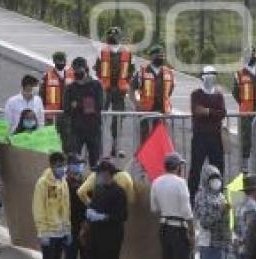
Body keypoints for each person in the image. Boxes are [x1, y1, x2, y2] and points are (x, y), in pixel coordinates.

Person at [151, 152, 195, 259]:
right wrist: (191, 233)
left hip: (164, 228)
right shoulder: (181, 183)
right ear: (177, 167)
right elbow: (187, 211)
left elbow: (154, 208)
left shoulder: (156, 182)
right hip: (179, 229)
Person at [94, 27, 133, 156]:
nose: (113, 37)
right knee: (100, 118)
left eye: (115, 35)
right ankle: (98, 147)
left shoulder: (127, 53)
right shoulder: (102, 52)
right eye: (110, 35)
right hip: (105, 90)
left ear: (120, 37)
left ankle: (116, 148)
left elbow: (131, 71)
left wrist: (125, 85)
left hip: (120, 91)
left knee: (118, 120)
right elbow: (97, 69)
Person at [189, 65, 227, 196]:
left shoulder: (219, 95)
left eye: (213, 75)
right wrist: (213, 113)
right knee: (196, 168)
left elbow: (222, 113)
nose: (211, 78)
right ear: (203, 77)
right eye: (208, 75)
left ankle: (218, 195)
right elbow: (197, 111)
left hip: (215, 136)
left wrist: (208, 111)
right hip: (200, 136)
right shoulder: (196, 94)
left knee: (218, 168)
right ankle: (192, 197)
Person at [86, 159, 128, 259]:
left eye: (98, 173)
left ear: (106, 174)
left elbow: (123, 216)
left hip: (111, 236)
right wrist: (90, 211)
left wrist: (104, 217)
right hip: (95, 234)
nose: (96, 176)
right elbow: (93, 205)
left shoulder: (119, 192)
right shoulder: (98, 189)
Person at [233, 47, 256, 176]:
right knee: (246, 137)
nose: (253, 56)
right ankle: (244, 166)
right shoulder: (239, 74)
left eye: (254, 54)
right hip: (247, 110)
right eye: (250, 54)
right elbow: (236, 93)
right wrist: (245, 103)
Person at [33, 151, 71, 259]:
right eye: (59, 165)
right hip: (48, 233)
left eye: (63, 165)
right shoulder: (43, 183)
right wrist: (42, 232)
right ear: (52, 166)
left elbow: (66, 208)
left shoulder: (63, 182)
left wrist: (67, 230)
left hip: (61, 233)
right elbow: (39, 209)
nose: (62, 168)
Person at [63, 57, 104, 166]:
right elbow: (67, 108)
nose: (77, 72)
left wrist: (77, 104)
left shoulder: (96, 85)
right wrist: (87, 103)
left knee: (95, 162)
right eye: (75, 70)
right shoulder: (70, 88)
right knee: (74, 161)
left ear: (86, 69)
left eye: (79, 70)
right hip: (76, 130)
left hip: (93, 129)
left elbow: (99, 105)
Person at [194, 164, 232, 259]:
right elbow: (205, 222)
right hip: (209, 244)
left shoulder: (220, 196)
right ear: (206, 180)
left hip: (221, 243)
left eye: (217, 178)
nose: (216, 181)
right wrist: (220, 210)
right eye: (212, 179)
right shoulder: (202, 196)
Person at [132, 45, 175, 142]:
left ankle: (158, 157)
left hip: (161, 109)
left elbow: (170, 90)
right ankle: (144, 156)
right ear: (151, 56)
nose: (161, 57)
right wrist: (136, 103)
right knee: (145, 136)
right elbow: (132, 87)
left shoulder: (168, 72)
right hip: (145, 109)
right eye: (158, 55)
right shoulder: (143, 71)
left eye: (162, 55)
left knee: (159, 135)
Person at [64, 154, 88, 259]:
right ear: (69, 166)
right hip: (70, 227)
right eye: (77, 164)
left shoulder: (83, 181)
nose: (79, 166)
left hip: (83, 227)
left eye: (80, 164)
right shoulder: (63, 183)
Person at [233, 175, 256, 259]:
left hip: (241, 248)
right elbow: (250, 231)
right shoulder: (252, 206)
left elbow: (236, 229)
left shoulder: (240, 204)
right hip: (249, 250)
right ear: (255, 191)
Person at [41, 51, 74, 139]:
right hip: (51, 114)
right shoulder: (47, 76)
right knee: (51, 138)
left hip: (67, 114)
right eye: (59, 61)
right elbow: (42, 94)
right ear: (54, 62)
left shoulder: (71, 75)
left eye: (63, 61)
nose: (61, 63)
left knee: (67, 137)